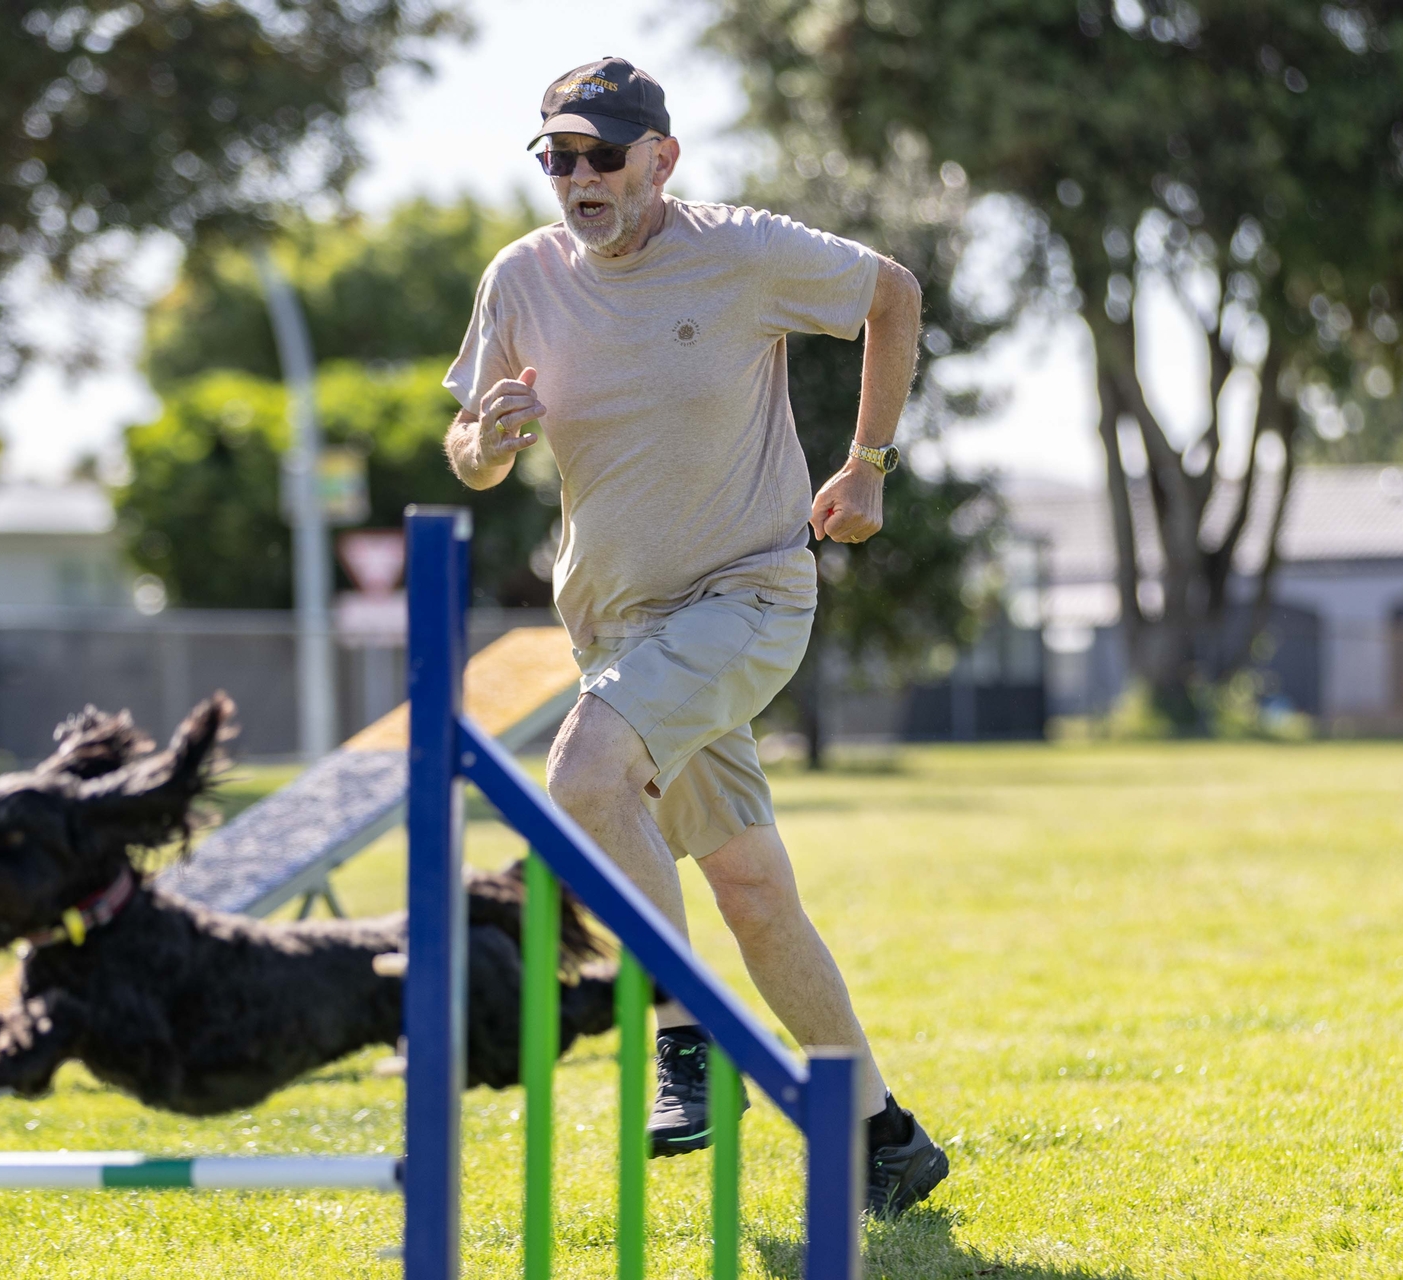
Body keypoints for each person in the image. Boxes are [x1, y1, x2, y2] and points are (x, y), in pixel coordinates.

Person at [441, 57, 947, 1217]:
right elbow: (467, 451)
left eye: (602, 155)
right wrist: (488, 440)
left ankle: (684, 1037)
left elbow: (894, 294)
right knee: (753, 889)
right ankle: (884, 1134)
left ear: (661, 160)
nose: (579, 176)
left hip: (747, 595)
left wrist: (869, 463)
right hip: (616, 629)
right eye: (559, 157)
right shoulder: (520, 277)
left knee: (584, 771)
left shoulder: (743, 250)